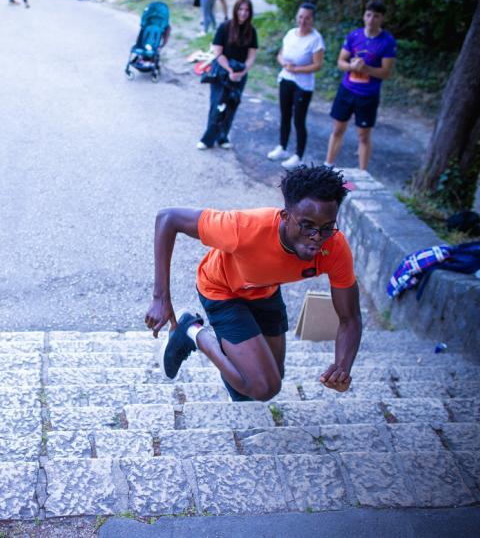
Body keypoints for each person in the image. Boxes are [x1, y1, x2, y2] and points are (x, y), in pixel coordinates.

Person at [145, 165, 362, 402]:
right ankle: (192, 331)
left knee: (272, 377)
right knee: (263, 387)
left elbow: (349, 318)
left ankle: (236, 361)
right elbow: (168, 218)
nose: (317, 237)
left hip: (265, 291)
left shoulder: (335, 247)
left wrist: (342, 367)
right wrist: (160, 298)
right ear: (286, 217)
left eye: (326, 227)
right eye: (307, 225)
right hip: (222, 290)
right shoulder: (243, 228)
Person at [324, 0, 396, 173]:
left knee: (363, 136)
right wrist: (351, 66)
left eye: (376, 16)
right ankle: (327, 166)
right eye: (368, 15)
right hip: (347, 90)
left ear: (382, 19)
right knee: (337, 129)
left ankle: (362, 174)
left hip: (368, 95)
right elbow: (341, 62)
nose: (371, 20)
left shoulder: (387, 41)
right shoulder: (354, 36)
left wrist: (366, 69)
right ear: (364, 16)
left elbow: (386, 72)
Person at [266, 2, 325, 169]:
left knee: (299, 119)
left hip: (303, 85)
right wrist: (284, 63)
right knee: (285, 115)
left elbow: (318, 65)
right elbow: (280, 55)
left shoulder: (316, 39)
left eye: (307, 18)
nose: (303, 21)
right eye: (300, 17)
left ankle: (298, 155)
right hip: (286, 79)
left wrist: (297, 69)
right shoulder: (290, 34)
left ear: (313, 19)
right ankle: (282, 147)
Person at [197, 0, 257, 150]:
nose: (243, 13)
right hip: (222, 71)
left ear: (250, 13)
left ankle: (223, 137)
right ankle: (207, 139)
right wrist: (230, 70)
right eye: (241, 9)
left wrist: (241, 72)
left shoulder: (252, 31)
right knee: (217, 104)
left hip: (240, 73)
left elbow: (251, 56)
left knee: (231, 104)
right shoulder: (225, 27)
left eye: (246, 10)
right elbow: (218, 53)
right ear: (235, 10)